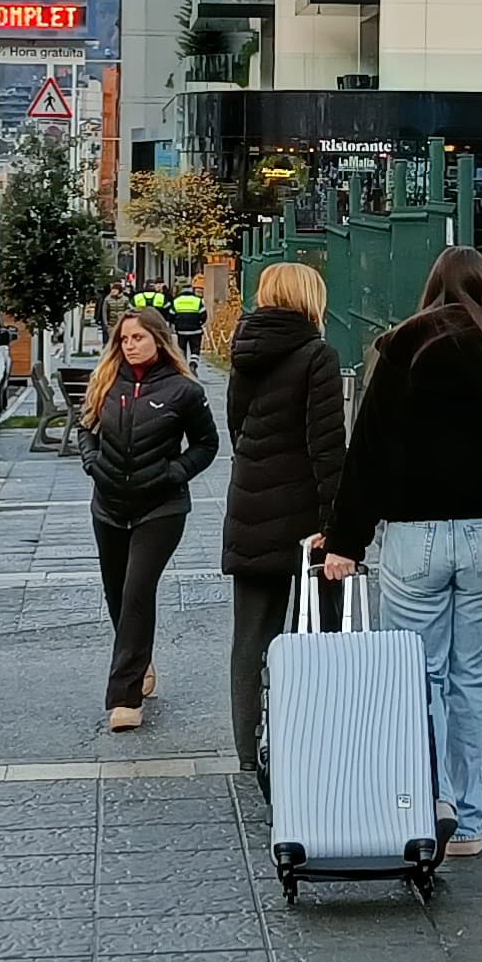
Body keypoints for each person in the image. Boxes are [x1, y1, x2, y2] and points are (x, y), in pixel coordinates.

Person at [322, 244, 482, 855]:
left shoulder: (403, 350)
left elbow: (368, 451)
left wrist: (346, 540)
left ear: (431, 287)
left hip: (413, 537)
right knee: (474, 679)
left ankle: (429, 797)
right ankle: (472, 817)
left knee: (418, 675)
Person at [218, 260, 348, 776]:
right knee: (316, 634)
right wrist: (339, 524)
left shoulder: (244, 354)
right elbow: (327, 448)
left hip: (251, 510)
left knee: (250, 637)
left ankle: (249, 752)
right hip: (306, 523)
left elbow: (237, 430)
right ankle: (311, 738)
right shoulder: (317, 356)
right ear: (309, 300)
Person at [83, 306, 218, 732]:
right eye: (124, 339)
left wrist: (174, 472)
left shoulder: (183, 390)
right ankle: (140, 662)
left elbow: (206, 444)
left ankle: (125, 698)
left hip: (161, 508)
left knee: (138, 590)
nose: (130, 346)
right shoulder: (105, 382)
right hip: (108, 505)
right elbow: (87, 427)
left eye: (138, 338)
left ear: (158, 339)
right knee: (118, 596)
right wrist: (92, 462)